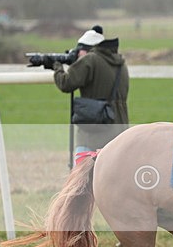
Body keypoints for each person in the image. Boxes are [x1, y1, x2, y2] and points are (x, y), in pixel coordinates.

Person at [52, 25, 130, 165]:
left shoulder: (91, 60)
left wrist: (57, 67)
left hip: (92, 136)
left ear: (85, 49)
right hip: (119, 134)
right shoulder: (120, 64)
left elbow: (65, 83)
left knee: (82, 182)